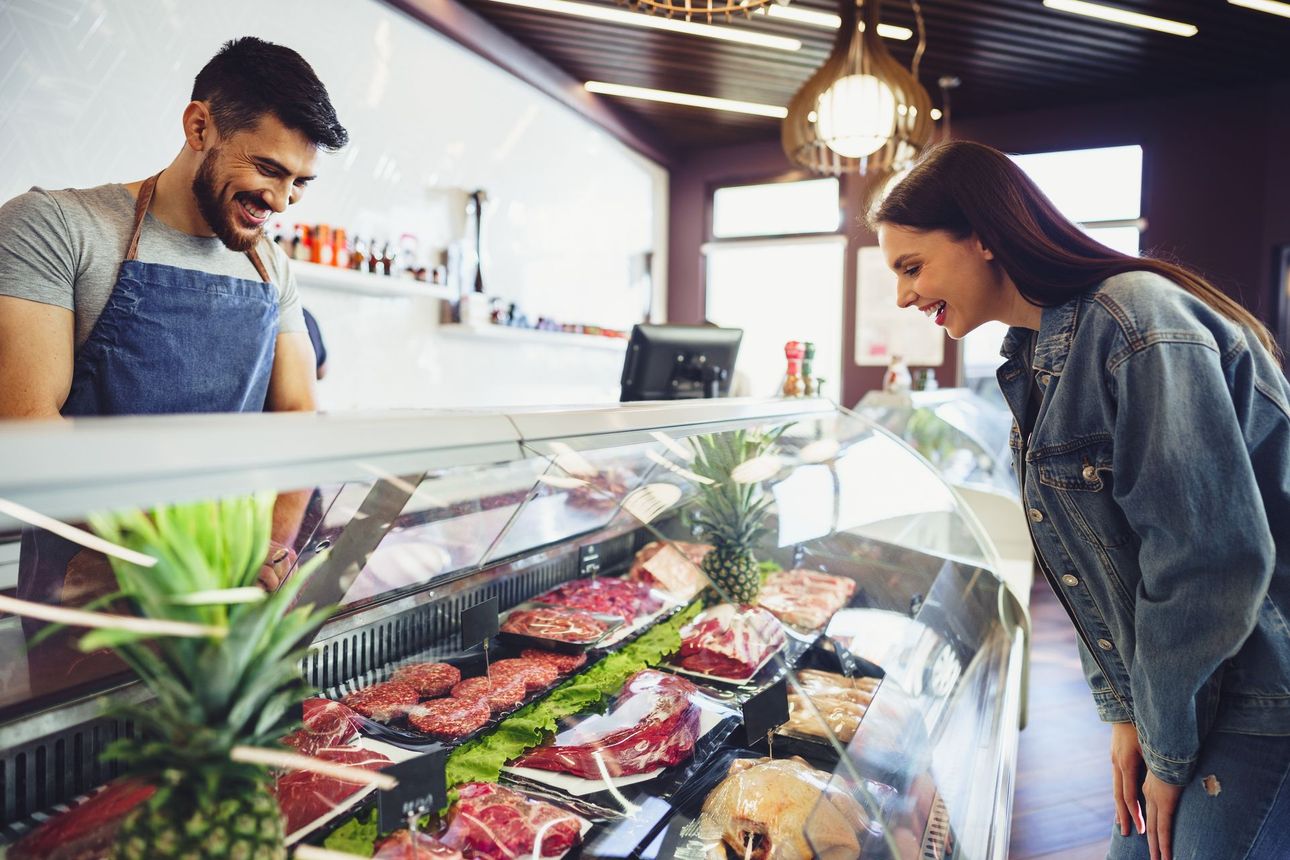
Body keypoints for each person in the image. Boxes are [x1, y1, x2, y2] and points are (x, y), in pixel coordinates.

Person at [872, 141, 1290, 860]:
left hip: (1254, 690)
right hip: (1185, 695)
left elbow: (1206, 562)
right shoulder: (1031, 355)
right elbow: (1094, 572)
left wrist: (1164, 745)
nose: (903, 296)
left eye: (912, 267)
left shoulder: (1134, 322)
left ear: (982, 237)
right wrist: (1128, 712)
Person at [0, 36, 348, 596]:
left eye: (299, 182)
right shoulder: (55, 227)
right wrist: (206, 553)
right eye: (267, 168)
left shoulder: (273, 268)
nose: (282, 201)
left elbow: (298, 418)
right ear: (198, 127)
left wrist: (267, 562)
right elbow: (24, 425)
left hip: (230, 590)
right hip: (91, 595)